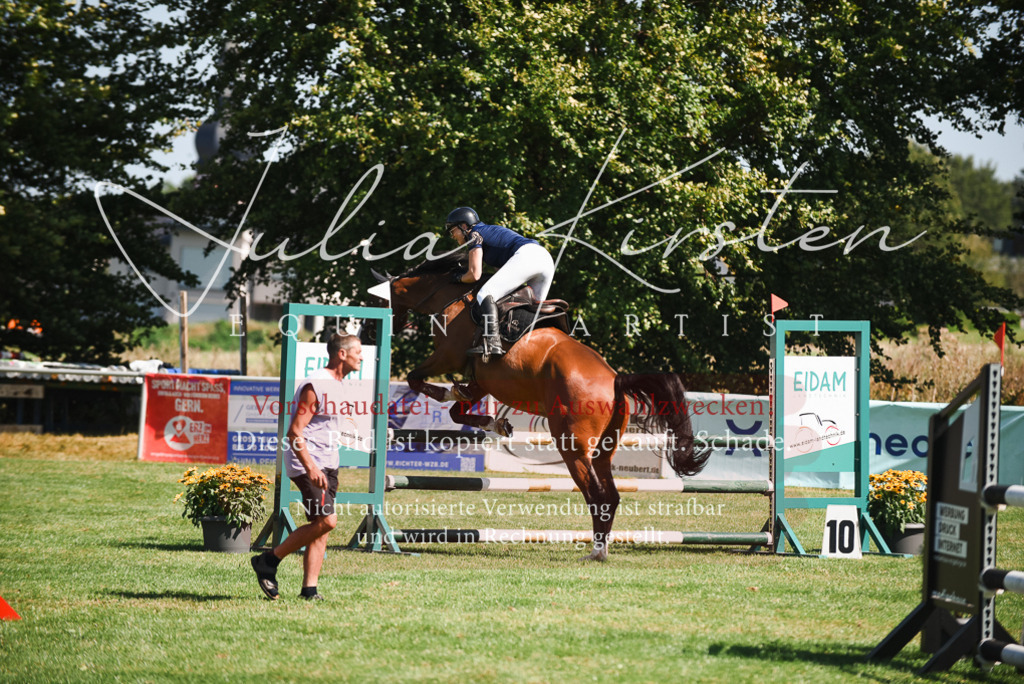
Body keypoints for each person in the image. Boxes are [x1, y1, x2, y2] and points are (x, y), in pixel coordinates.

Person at [250, 333, 364, 601]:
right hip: (309, 465)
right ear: (342, 354)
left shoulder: (339, 385)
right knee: (328, 521)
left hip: (327, 464)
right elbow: (295, 432)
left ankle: (309, 590)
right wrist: (311, 467)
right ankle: (268, 560)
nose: (362, 356)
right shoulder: (317, 384)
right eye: (357, 351)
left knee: (319, 526)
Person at [445, 206, 555, 360]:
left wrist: (457, 278)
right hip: (545, 260)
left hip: (528, 256)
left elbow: (474, 275)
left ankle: (492, 342)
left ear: (464, 226)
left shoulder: (474, 234)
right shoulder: (488, 233)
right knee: (532, 307)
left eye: (452, 230)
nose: (453, 236)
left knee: (485, 294)